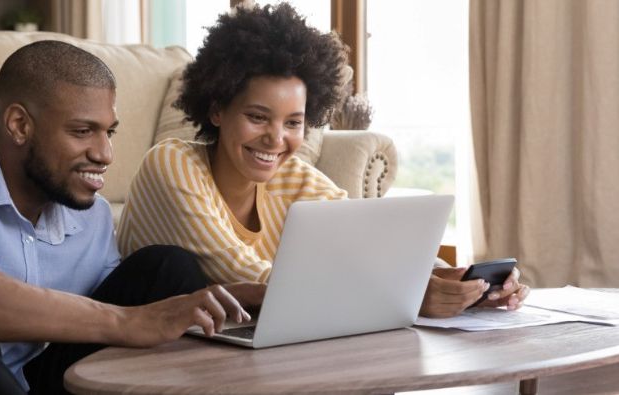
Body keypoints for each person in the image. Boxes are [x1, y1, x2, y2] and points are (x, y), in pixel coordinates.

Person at [0, 40, 263, 395]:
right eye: (82, 131)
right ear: (19, 125)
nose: (105, 153)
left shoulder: (88, 212)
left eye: (109, 132)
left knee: (168, 268)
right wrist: (122, 321)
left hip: (34, 379)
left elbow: (120, 311)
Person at [117, 3, 530, 319]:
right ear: (217, 110)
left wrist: (463, 280)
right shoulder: (171, 165)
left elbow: (375, 238)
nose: (275, 139)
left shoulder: (292, 176)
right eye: (257, 117)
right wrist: (410, 294)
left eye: (293, 122)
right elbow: (248, 276)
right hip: (157, 353)